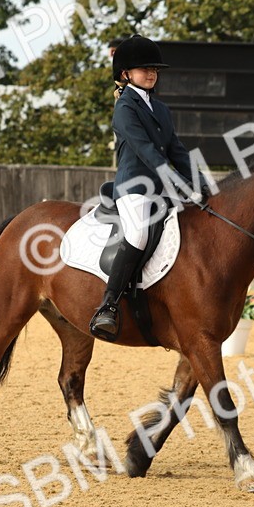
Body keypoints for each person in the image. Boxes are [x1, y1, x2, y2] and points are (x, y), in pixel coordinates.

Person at [89, 35, 202, 341]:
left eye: (154, 69)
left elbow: (177, 151)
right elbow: (146, 151)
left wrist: (201, 182)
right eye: (144, 68)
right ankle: (108, 305)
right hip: (134, 188)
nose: (151, 73)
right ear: (126, 73)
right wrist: (177, 181)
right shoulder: (125, 108)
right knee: (138, 234)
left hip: (162, 190)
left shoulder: (161, 109)